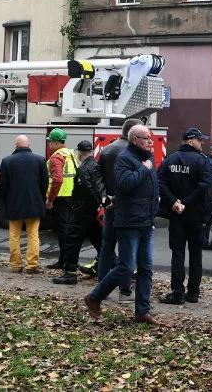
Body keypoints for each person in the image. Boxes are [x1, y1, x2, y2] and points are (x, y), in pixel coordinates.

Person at [83, 125, 159, 325]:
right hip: (129, 221)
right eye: (146, 138)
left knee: (146, 268)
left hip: (146, 221)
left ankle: (142, 311)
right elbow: (124, 184)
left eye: (151, 138)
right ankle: (94, 297)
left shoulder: (148, 157)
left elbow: (153, 187)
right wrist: (144, 169)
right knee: (126, 267)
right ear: (135, 139)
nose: (151, 141)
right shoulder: (124, 159)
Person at [157, 127, 212, 305]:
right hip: (195, 216)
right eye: (199, 140)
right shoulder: (203, 161)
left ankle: (176, 292)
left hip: (176, 215)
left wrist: (175, 202)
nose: (202, 143)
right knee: (196, 254)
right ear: (190, 141)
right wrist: (186, 203)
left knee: (178, 253)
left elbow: (160, 182)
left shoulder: (170, 159)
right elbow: (204, 186)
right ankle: (193, 293)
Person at [94, 118, 142, 295]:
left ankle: (101, 287)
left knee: (107, 247)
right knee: (126, 250)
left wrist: (104, 196)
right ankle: (125, 287)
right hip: (128, 208)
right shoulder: (133, 153)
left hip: (110, 207)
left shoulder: (107, 149)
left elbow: (97, 176)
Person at [54, 140, 104, 285]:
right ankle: (113, 268)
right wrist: (99, 206)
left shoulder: (83, 169)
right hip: (93, 211)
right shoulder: (95, 165)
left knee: (72, 239)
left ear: (80, 153)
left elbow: (88, 189)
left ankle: (70, 273)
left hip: (83, 210)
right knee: (99, 241)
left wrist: (92, 205)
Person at [0, 135, 48, 274]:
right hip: (34, 202)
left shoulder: (7, 161)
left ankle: (15, 265)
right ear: (28, 145)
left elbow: (2, 185)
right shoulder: (39, 160)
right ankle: (32, 265)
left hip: (14, 204)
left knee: (14, 235)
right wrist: (40, 197)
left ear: (16, 145)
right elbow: (45, 182)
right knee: (33, 235)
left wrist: (4, 200)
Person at [44, 128, 80, 277]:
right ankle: (64, 260)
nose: (49, 145)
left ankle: (65, 261)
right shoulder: (70, 153)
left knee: (63, 231)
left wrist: (50, 199)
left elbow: (57, 179)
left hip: (60, 198)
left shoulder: (56, 157)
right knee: (68, 229)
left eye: (50, 142)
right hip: (71, 196)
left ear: (57, 142)